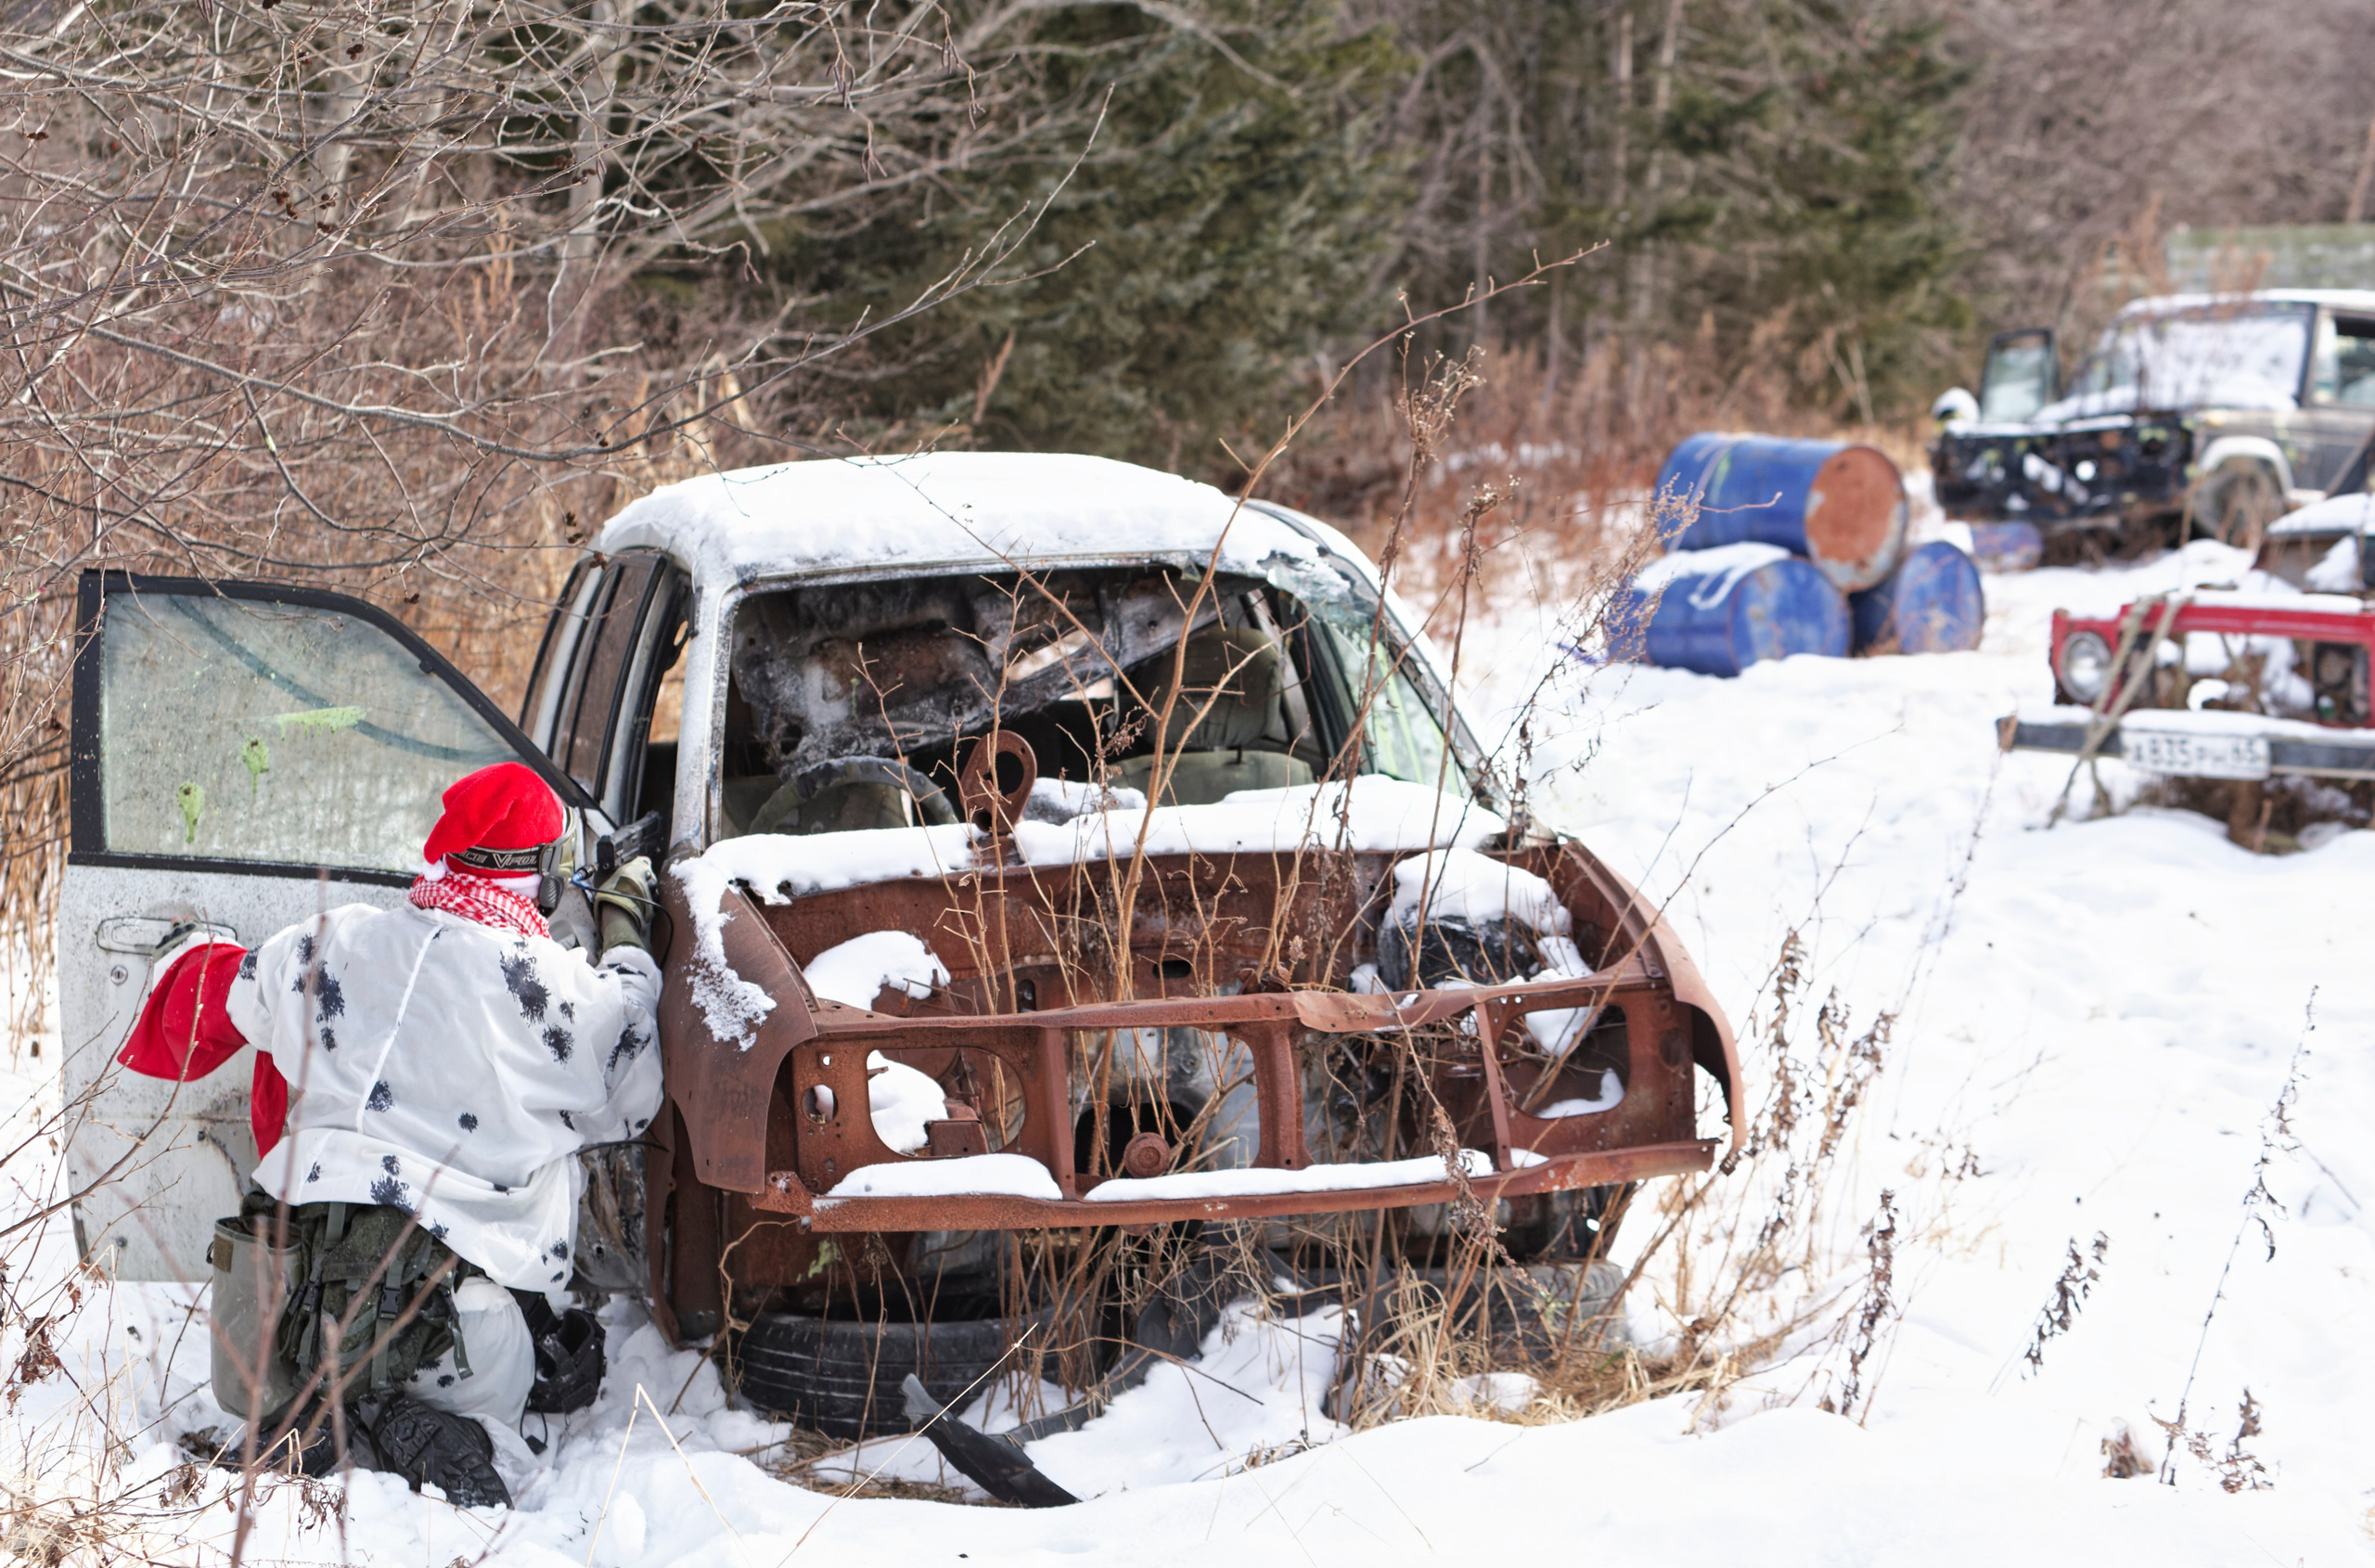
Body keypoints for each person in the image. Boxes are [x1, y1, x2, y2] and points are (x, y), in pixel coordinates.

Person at [121, 762, 662, 1506]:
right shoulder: (552, 990)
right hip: (455, 1333)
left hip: (281, 1314)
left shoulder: (334, 942)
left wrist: (186, 951)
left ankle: (326, 1416)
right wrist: (625, 927)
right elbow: (633, 1090)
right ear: (540, 873)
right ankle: (419, 1428)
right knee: (533, 1388)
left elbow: (223, 993)